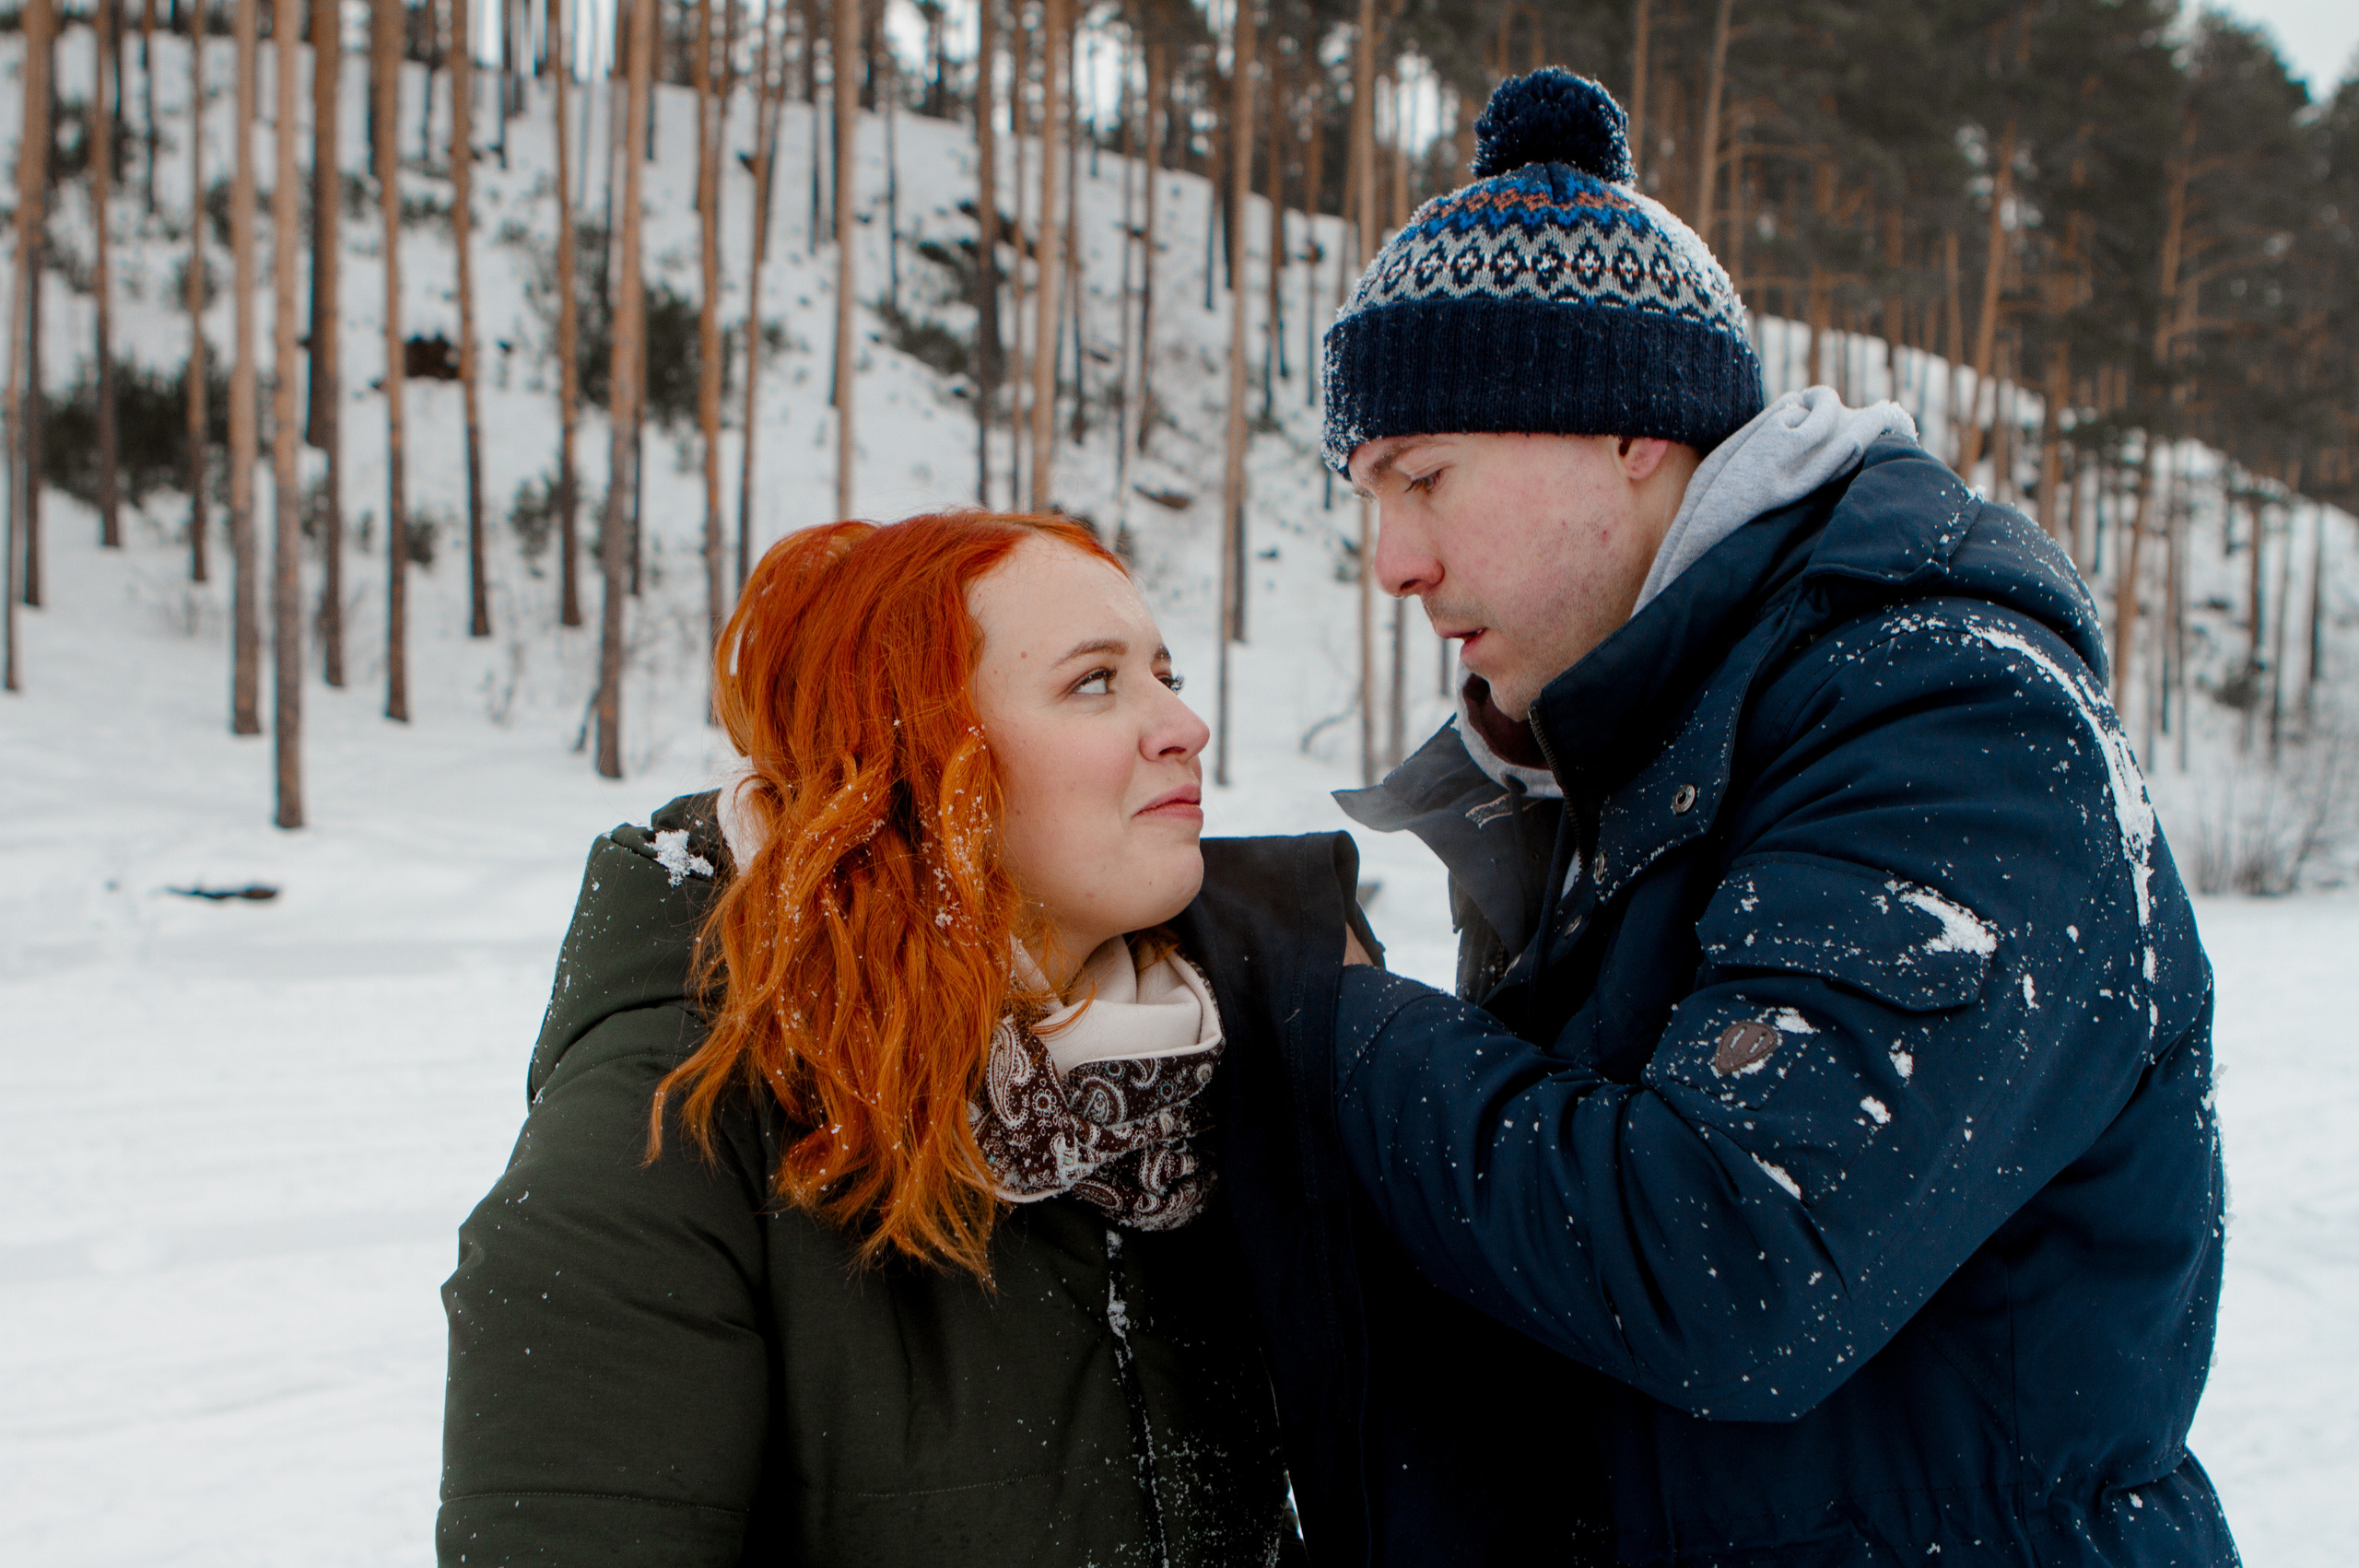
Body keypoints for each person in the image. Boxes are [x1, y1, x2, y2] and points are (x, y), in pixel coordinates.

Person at [1225, 68, 2238, 1565]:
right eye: (1371, 494)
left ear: (1631, 430)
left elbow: (1739, 1263)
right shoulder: (1631, 753)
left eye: (1423, 477)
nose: (1393, 560)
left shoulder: (1947, 715)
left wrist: (1330, 1016)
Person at [436, 512, 1367, 1566]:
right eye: (1096, 683)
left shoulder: (1197, 1076)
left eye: (1166, 672)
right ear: (910, 758)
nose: (1185, 723)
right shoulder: (662, 1142)